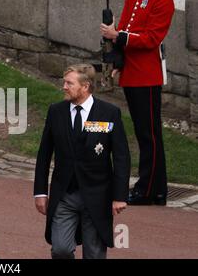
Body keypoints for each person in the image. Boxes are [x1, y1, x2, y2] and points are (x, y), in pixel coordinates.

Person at [34, 64, 130, 259]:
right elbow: (44, 154)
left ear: (85, 86)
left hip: (97, 196)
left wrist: (119, 196)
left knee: (94, 254)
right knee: (60, 249)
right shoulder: (56, 111)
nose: (64, 87)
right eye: (64, 82)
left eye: (69, 83)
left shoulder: (109, 113)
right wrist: (40, 192)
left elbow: (121, 157)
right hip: (64, 195)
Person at [100, 0, 176, 206]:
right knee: (143, 133)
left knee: (149, 135)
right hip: (132, 73)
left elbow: (151, 39)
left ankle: (148, 189)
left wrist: (117, 35)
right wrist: (117, 62)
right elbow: (125, 28)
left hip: (147, 75)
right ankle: (157, 189)